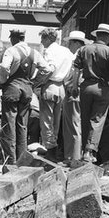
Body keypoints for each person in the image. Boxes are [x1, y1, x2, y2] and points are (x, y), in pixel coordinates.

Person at [73, 23, 109, 163]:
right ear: (107, 38)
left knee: (85, 118)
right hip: (102, 89)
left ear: (97, 35)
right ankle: (89, 151)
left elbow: (76, 69)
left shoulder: (84, 49)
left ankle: (83, 151)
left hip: (86, 87)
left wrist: (75, 85)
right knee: (97, 120)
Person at [0, 28, 42, 163]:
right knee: (22, 125)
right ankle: (22, 159)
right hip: (27, 90)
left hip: (12, 89)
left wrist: (3, 81)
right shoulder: (35, 52)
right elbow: (47, 69)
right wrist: (34, 82)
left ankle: (10, 160)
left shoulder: (11, 51)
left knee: (9, 124)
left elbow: (4, 67)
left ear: (13, 38)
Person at [35, 28, 73, 158]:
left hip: (50, 85)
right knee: (56, 121)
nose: (41, 42)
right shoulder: (67, 51)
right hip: (61, 87)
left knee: (46, 121)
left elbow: (50, 69)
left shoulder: (49, 51)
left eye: (43, 39)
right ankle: (54, 148)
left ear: (48, 38)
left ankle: (50, 149)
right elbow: (71, 72)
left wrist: (37, 83)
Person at [60, 31, 87, 166]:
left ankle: (73, 157)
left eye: (70, 42)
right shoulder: (83, 55)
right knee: (74, 124)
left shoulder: (78, 56)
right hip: (76, 91)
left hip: (73, 92)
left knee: (72, 125)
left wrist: (72, 87)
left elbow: (75, 75)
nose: (69, 45)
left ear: (76, 43)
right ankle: (73, 156)